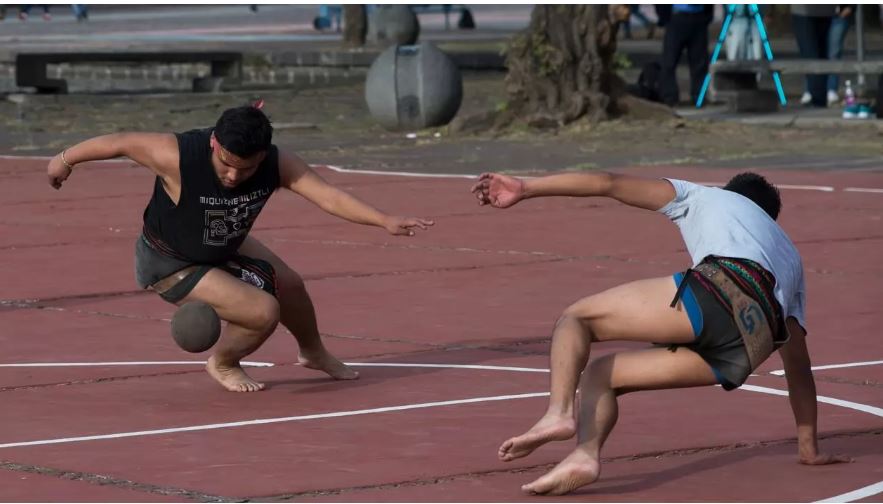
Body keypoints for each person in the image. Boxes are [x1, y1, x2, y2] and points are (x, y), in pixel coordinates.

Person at [470, 170, 850, 495]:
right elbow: (798, 364)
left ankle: (558, 413)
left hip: (727, 285)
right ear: (772, 218)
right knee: (601, 374)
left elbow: (608, 183)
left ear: (730, 191)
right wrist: (808, 447)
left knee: (576, 318)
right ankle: (585, 455)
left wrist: (527, 187)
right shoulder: (789, 256)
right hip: (752, 344)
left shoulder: (707, 196)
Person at [47, 104, 434, 393]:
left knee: (291, 285)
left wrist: (384, 219)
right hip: (170, 261)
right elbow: (120, 142)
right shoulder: (176, 155)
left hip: (223, 243)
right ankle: (224, 361)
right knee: (264, 310)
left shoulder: (278, 163)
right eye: (226, 164)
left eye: (245, 169)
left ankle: (313, 352)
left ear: (263, 156)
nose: (233, 176)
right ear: (214, 143)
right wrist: (64, 160)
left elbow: (328, 196)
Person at [658, 4, 714, 107]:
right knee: (669, 61)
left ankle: (699, 96)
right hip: (677, 17)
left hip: (699, 17)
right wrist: (664, 16)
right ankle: (670, 97)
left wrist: (708, 15)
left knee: (699, 62)